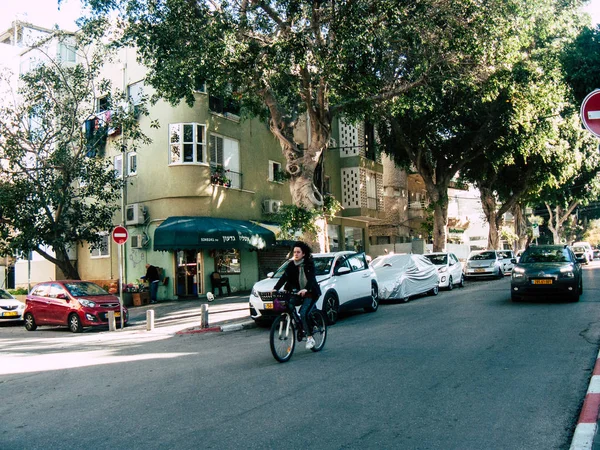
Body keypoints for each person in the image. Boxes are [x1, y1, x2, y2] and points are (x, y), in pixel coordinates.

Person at [273, 241, 322, 349]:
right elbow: (284, 277)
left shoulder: (309, 264)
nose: (295, 254)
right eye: (294, 252)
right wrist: (275, 288)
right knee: (289, 305)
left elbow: (311, 279)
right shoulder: (291, 265)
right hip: (297, 293)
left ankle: (310, 337)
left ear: (303, 254)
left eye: (298, 252)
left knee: (304, 313)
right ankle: (299, 324)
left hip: (311, 293)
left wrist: (306, 289)